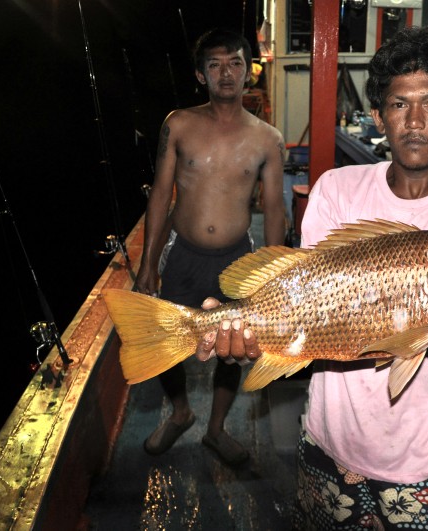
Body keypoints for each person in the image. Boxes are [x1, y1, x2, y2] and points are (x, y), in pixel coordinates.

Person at [196, 26, 428, 528]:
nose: (413, 121)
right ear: (378, 115)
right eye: (397, 104)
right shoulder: (335, 192)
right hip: (333, 440)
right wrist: (252, 335)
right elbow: (307, 302)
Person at [133, 27, 286, 465]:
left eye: (235, 63)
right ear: (201, 75)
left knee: (233, 345)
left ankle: (216, 430)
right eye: (215, 65)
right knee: (164, 338)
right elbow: (161, 196)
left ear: (248, 72)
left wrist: (274, 276)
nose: (226, 73)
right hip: (181, 252)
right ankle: (180, 412)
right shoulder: (178, 124)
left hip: (237, 256)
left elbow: (274, 210)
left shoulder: (267, 139)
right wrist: (148, 264)